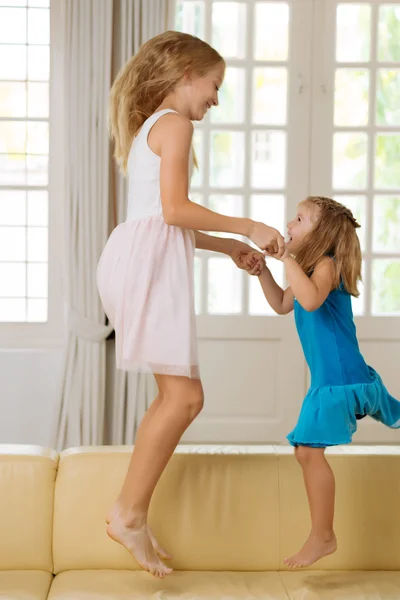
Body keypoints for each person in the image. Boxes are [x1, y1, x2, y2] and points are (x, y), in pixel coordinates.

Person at [96, 30, 285, 578]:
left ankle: (129, 511)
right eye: (215, 85)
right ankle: (127, 513)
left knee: (175, 398)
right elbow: (176, 211)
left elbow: (163, 218)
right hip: (145, 269)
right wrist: (248, 224)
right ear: (185, 73)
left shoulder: (150, 128)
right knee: (184, 399)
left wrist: (230, 246)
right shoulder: (174, 124)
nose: (217, 99)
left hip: (136, 262)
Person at [244, 196, 400, 569]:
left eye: (299, 219)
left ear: (322, 235)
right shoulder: (310, 269)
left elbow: (310, 301)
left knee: (308, 452)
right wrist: (263, 271)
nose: (289, 223)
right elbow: (284, 304)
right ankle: (322, 535)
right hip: (348, 379)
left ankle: (323, 536)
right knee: (306, 452)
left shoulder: (326, 267)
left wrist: (285, 259)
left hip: (340, 383)